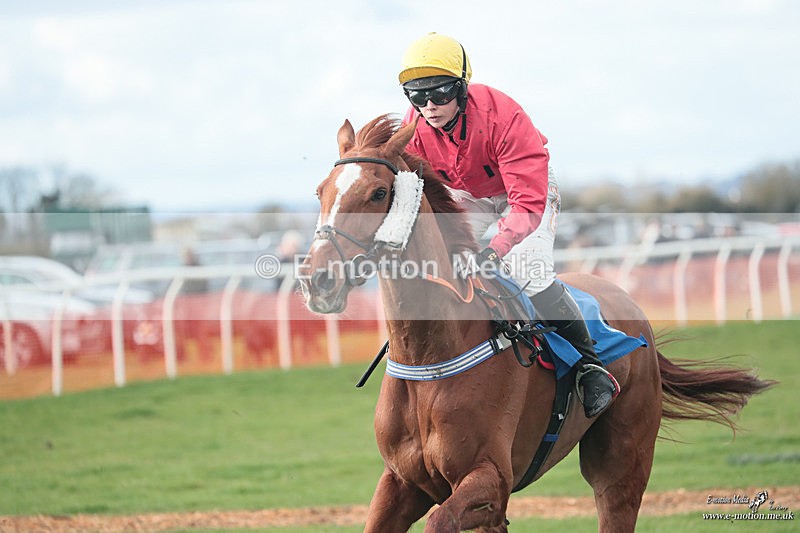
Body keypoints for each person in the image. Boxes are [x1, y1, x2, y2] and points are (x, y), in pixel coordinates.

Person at [398, 32, 619, 417]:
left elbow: (526, 203)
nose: (429, 106)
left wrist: (493, 250)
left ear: (462, 87)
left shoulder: (504, 116)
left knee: (529, 272)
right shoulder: (415, 124)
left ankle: (590, 366)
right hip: (469, 193)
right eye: (417, 96)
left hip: (526, 193)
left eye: (440, 94)